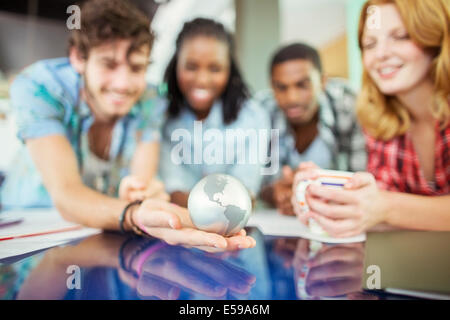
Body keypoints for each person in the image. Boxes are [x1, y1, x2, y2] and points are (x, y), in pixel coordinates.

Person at [0, 0, 255, 250]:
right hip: (29, 231)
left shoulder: (150, 99)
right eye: (109, 64)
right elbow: (67, 194)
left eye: (136, 68)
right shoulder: (38, 87)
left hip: (105, 231)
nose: (123, 83)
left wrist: (144, 196)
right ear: (78, 58)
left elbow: (142, 184)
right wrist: (135, 212)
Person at [292, 0, 450, 237]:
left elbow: (385, 207)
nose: (381, 54)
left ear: (436, 40)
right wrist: (324, 196)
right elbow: (377, 209)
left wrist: (385, 207)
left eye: (401, 36)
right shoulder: (379, 122)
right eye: (369, 44)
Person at [159, 18, 271, 208]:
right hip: (178, 226)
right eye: (191, 67)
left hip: (232, 228)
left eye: (215, 68)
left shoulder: (254, 117)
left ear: (229, 70)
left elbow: (244, 193)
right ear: (176, 65)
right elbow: (171, 190)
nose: (202, 80)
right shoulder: (161, 117)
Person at [258, 43, 366, 215]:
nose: (292, 98)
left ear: (323, 81)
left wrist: (317, 192)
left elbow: (364, 179)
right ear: (272, 86)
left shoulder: (349, 103)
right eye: (281, 87)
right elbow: (253, 184)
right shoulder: (260, 111)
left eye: (302, 85)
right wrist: (278, 193)